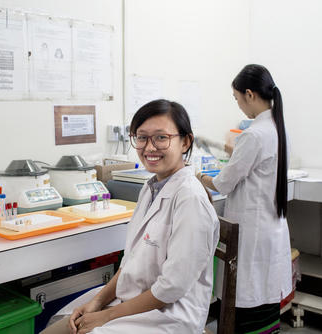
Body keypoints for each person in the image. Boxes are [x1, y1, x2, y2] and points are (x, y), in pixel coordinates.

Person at [41, 99, 219, 334]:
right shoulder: (151, 188)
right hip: (133, 299)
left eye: (161, 137)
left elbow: (170, 289)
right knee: (58, 326)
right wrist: (97, 302)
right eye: (142, 137)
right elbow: (130, 262)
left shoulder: (190, 199)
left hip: (170, 316)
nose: (149, 147)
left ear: (185, 142)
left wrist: (106, 316)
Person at [197, 64, 292, 334]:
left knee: (246, 299)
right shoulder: (277, 127)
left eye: (237, 98)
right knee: (264, 297)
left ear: (249, 94)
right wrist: (216, 145)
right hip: (270, 229)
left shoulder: (255, 134)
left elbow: (223, 183)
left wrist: (198, 177)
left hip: (252, 234)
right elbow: (247, 153)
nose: (238, 105)